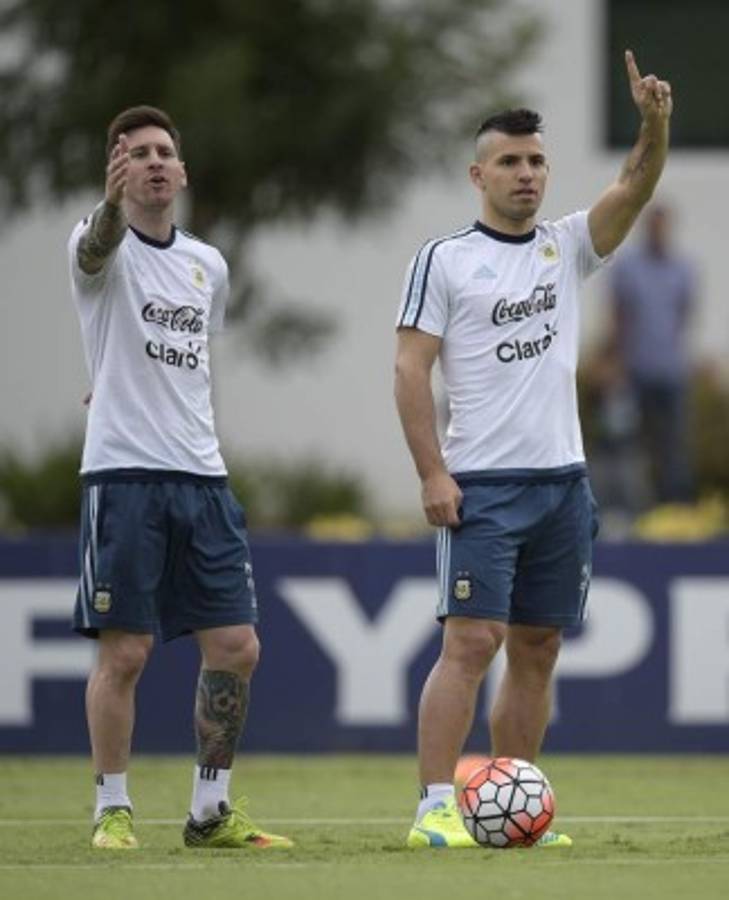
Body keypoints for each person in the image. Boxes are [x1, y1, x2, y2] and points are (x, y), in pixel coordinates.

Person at [394, 51, 672, 849]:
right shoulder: (443, 260)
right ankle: (435, 806)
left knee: (538, 647)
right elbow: (409, 369)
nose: (526, 174)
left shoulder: (566, 245)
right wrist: (430, 472)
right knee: (469, 642)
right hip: (481, 482)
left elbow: (633, 185)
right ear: (477, 174)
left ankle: (508, 802)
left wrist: (653, 124)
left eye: (537, 162)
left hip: (562, 484)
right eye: (509, 162)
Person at [68, 105, 293, 851]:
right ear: (118, 170)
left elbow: (187, 363)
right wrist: (107, 206)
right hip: (125, 477)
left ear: (183, 171)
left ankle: (209, 810)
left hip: (202, 479)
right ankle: (112, 808)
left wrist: (113, 378)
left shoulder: (207, 264)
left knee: (237, 645)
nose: (155, 162)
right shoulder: (97, 242)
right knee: (124, 653)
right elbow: (98, 253)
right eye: (138, 154)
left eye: (166, 152)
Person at [610, 203, 696, 504]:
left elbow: (685, 314)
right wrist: (617, 363)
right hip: (634, 370)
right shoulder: (628, 268)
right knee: (630, 444)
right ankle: (634, 509)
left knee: (672, 445)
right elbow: (618, 316)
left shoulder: (683, 269)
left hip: (671, 371)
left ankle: (674, 509)